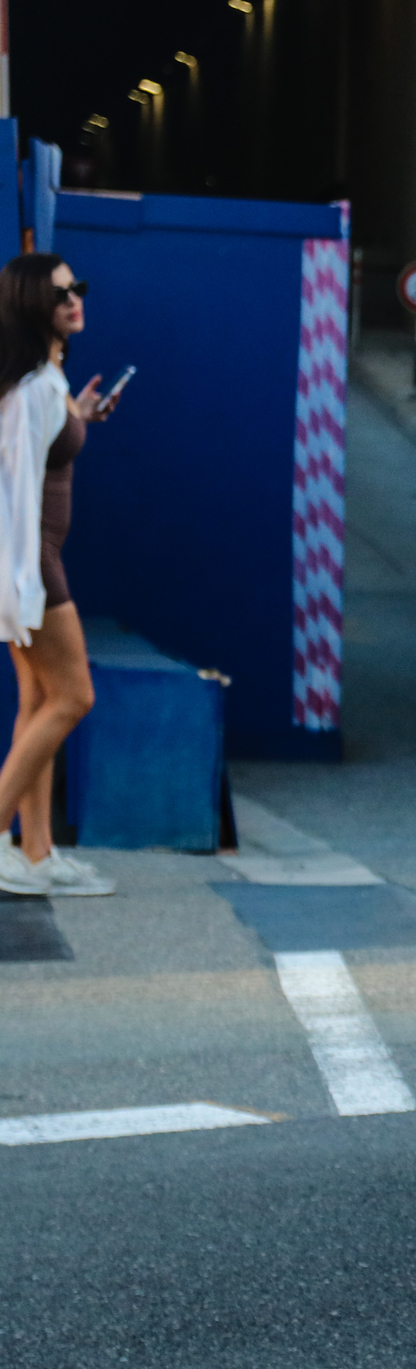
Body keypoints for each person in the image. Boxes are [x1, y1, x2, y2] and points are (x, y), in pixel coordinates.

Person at [0, 253, 116, 896]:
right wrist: (22, 585)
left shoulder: (48, 378)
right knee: (74, 697)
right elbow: (12, 492)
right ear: (31, 306)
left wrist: (82, 417)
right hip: (32, 562)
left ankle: (37, 854)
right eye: (59, 293)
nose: (74, 300)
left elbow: (46, 442)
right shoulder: (33, 389)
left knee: (39, 701)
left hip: (32, 560)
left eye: (78, 286)